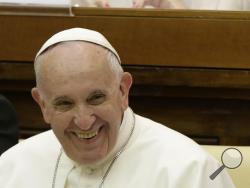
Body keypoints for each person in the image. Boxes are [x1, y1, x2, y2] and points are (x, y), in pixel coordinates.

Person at [0, 28, 235, 188]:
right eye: (64, 103)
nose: (83, 121)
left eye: (96, 98)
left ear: (123, 91)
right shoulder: (11, 167)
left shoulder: (189, 171)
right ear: (43, 105)